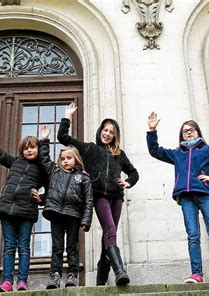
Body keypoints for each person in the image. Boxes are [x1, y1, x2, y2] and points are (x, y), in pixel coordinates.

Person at [146, 112, 209, 284]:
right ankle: (197, 274)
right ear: (181, 135)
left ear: (198, 132)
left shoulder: (207, 150)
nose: (189, 132)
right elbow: (155, 151)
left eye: (192, 130)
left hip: (204, 194)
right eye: (185, 131)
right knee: (193, 235)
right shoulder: (177, 153)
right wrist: (152, 131)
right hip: (186, 198)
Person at [57, 102, 139, 286]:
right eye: (105, 130)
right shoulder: (89, 149)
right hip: (99, 195)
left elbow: (134, 173)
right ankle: (119, 271)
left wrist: (128, 182)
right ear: (100, 131)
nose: (107, 133)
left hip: (116, 197)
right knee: (110, 230)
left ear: (115, 135)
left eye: (111, 132)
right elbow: (62, 137)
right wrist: (67, 117)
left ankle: (102, 277)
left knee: (108, 236)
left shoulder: (120, 154)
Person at [0, 130, 47, 292]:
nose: (29, 150)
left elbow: (53, 190)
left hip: (26, 211)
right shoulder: (15, 162)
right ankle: (7, 281)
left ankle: (22, 281)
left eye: (33, 147)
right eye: (26, 148)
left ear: (39, 149)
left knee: (24, 246)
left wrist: (42, 198)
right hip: (7, 209)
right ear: (21, 151)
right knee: (9, 246)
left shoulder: (43, 169)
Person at [38, 125, 93, 289]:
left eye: (68, 158)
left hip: (73, 215)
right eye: (62, 159)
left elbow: (88, 200)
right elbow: (44, 159)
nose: (65, 161)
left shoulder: (83, 178)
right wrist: (44, 140)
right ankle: (55, 275)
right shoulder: (54, 171)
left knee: (72, 247)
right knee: (57, 247)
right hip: (55, 213)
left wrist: (86, 220)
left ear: (76, 158)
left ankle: (72, 275)